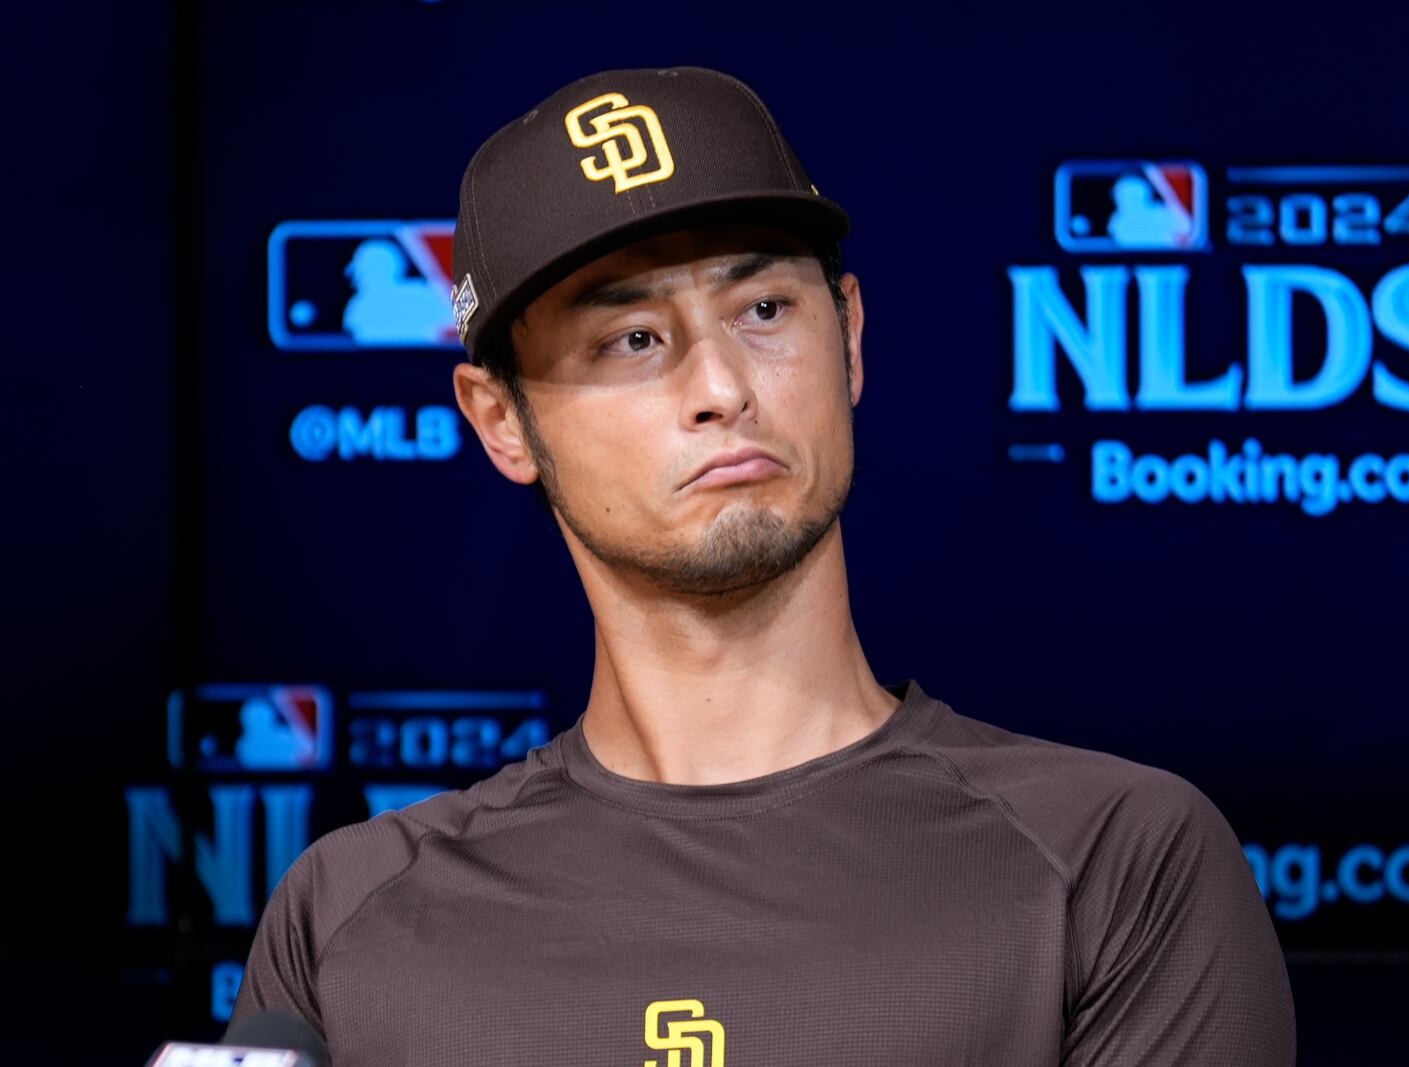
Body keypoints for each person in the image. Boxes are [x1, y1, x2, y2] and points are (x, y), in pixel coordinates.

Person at [231, 65, 1296, 1066]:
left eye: (763, 310)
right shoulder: (348, 911)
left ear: (850, 338)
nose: (724, 386)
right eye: (633, 339)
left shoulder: (1113, 860)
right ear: (500, 420)